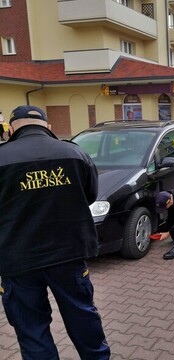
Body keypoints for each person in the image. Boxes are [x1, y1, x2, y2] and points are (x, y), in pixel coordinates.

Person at [0, 105, 110, 359]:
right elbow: (89, 195)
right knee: (82, 316)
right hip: (68, 254)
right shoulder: (74, 152)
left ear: (12, 127)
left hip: (18, 260)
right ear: (47, 127)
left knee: (32, 328)